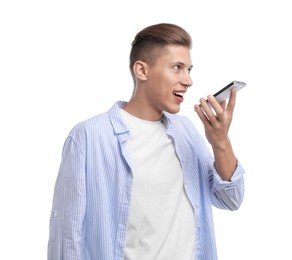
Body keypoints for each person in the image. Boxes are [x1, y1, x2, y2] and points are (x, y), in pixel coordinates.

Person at [47, 23, 245, 260]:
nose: (188, 81)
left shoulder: (186, 131)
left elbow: (230, 200)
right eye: (177, 68)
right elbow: (67, 234)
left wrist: (220, 141)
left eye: (189, 70)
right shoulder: (88, 137)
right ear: (142, 71)